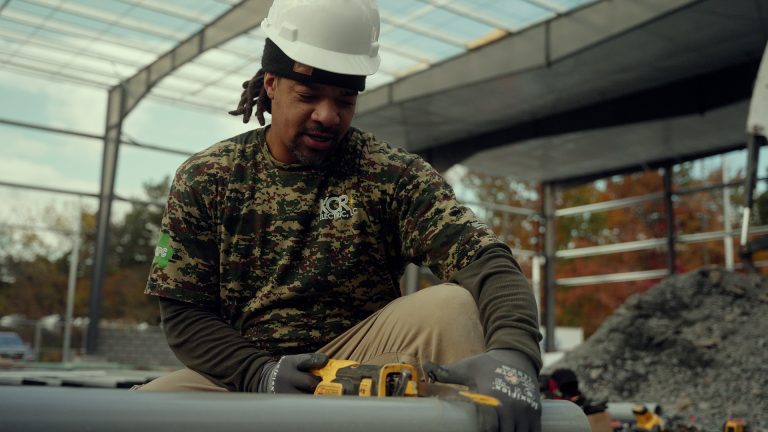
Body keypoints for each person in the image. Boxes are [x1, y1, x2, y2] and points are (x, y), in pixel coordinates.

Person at [137, 1, 543, 431]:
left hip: (364, 366)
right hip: (244, 374)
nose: (328, 116)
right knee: (135, 413)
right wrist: (260, 374)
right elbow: (184, 315)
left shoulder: (390, 174)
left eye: (345, 100)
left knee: (454, 304)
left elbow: (487, 262)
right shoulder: (208, 177)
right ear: (271, 84)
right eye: (309, 96)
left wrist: (515, 357)